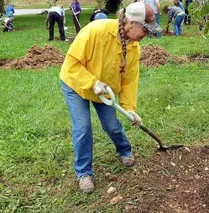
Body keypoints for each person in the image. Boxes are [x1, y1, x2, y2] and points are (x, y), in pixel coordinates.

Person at [60, 2, 162, 194]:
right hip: (76, 84)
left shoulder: (133, 47)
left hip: (105, 90)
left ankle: (125, 151)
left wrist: (130, 108)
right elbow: (72, 64)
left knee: (112, 125)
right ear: (131, 24)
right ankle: (84, 173)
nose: (146, 36)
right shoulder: (96, 31)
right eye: (145, 30)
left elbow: (130, 80)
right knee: (82, 127)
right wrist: (92, 83)